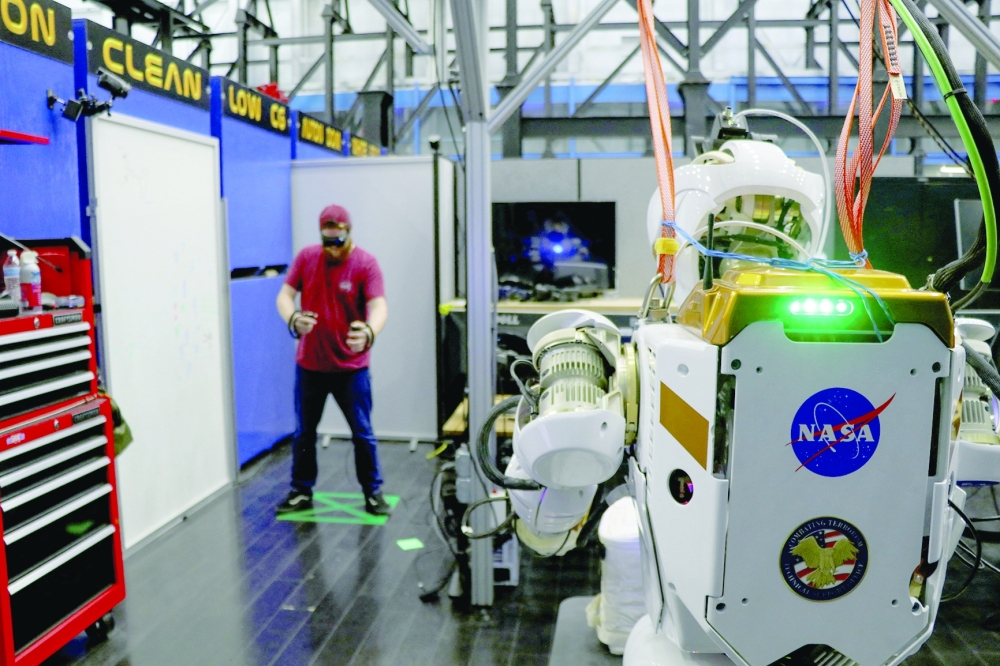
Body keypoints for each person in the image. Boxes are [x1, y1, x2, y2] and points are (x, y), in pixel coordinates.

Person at [275, 204, 391, 516]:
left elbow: (379, 306)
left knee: (362, 432)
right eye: (327, 242)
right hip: (310, 365)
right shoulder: (307, 258)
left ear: (348, 234)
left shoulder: (365, 263)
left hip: (351, 369)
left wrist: (368, 331)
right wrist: (293, 318)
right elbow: (284, 296)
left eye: (338, 242)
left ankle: (373, 492)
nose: (332, 249)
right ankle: (301, 490)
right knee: (304, 432)